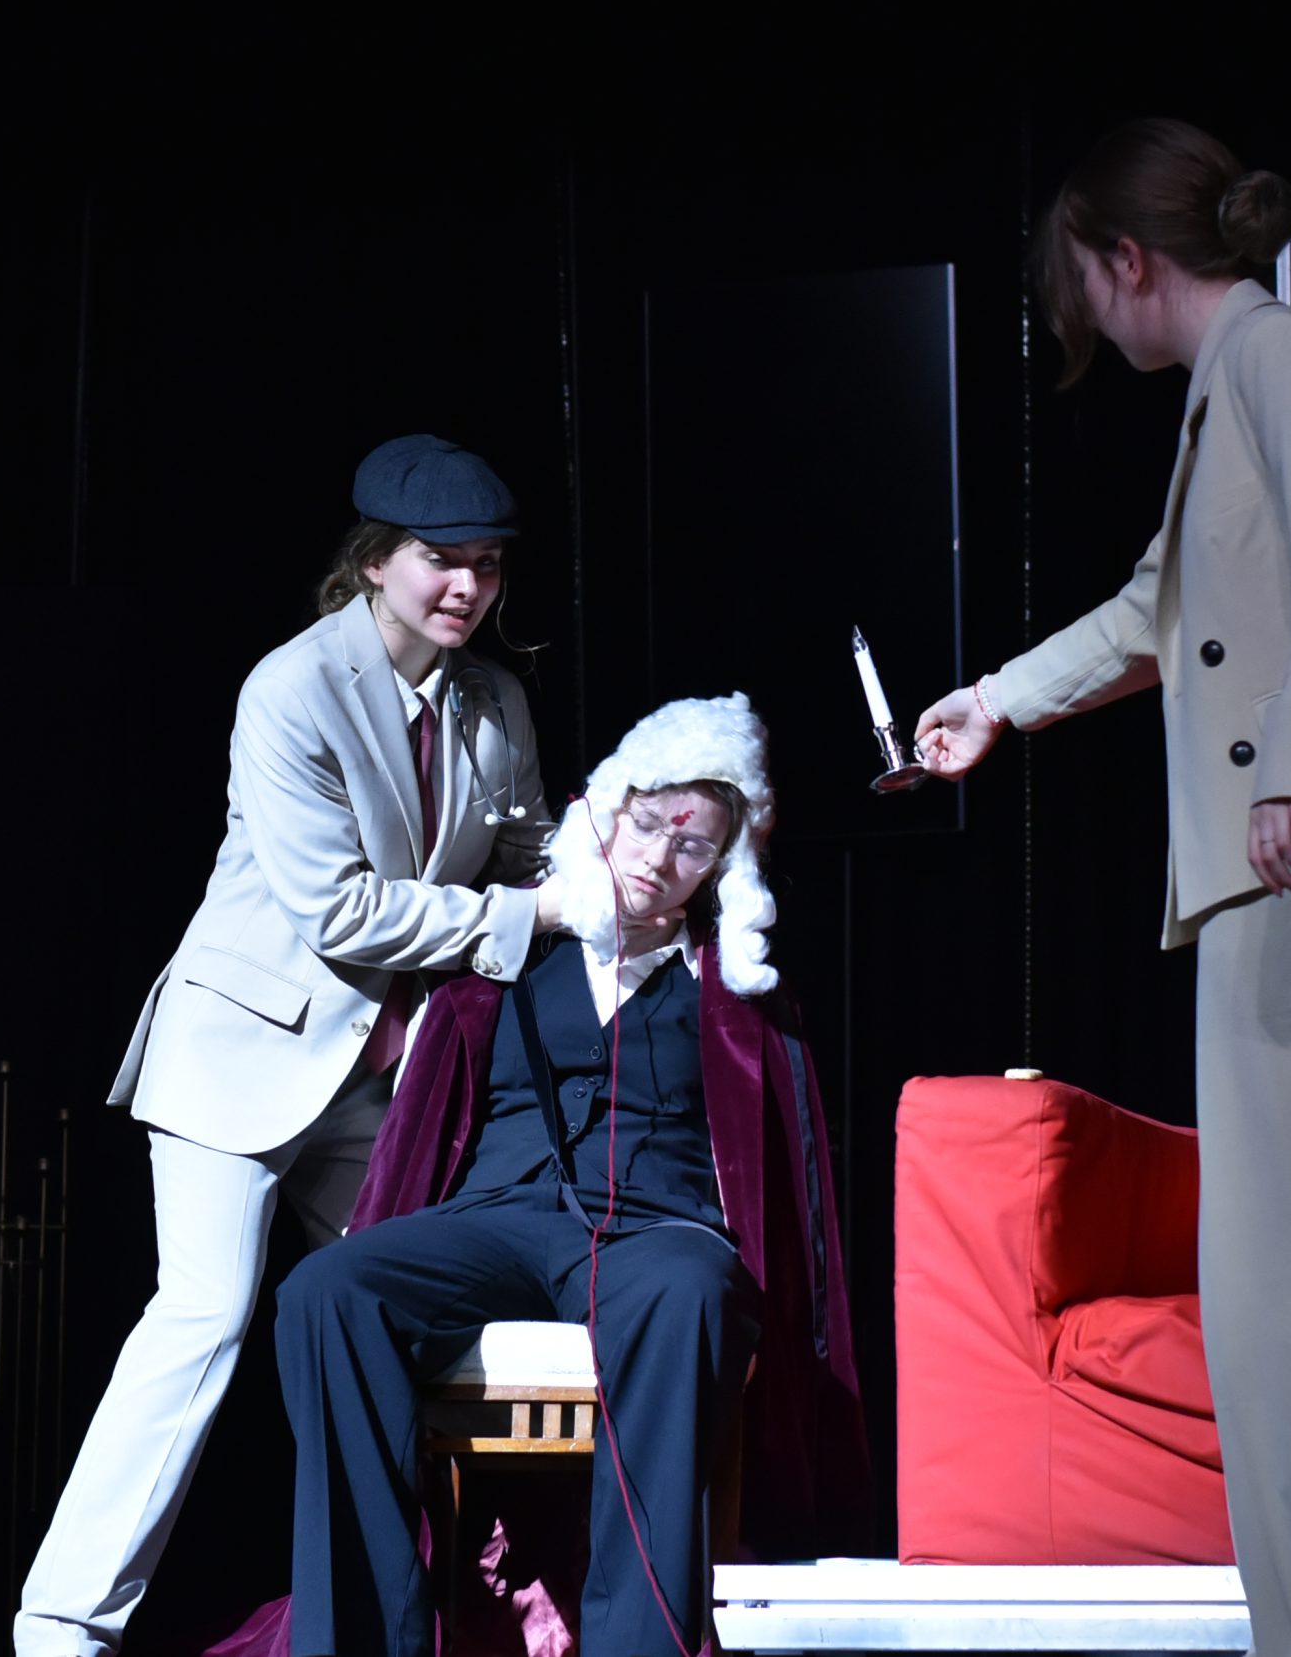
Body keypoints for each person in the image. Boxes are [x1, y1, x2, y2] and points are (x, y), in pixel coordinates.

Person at [914, 119, 1291, 1657]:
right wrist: (998, 698)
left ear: (1127, 259)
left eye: (1080, 283)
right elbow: (1153, 612)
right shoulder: (1232, 385)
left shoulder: (1278, 353)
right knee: (1271, 1292)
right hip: (1281, 859)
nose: (1084, 319)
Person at [16, 433, 564, 1657]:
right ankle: (59, 1628)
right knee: (203, 1318)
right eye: (439, 560)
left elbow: (535, 858)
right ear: (374, 562)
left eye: (486, 564)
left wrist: (637, 851)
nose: (466, 587)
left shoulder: (496, 702)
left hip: (376, 1079)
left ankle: (453, 1604)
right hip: (240, 1054)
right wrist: (532, 917)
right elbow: (341, 909)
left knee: (412, 1322)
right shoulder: (292, 689)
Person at [275, 694, 865, 1657]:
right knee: (326, 1291)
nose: (658, 857)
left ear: (720, 868)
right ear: (607, 812)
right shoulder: (509, 961)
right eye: (648, 823)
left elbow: (777, 1175)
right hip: (500, 1217)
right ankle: (367, 1638)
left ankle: (637, 1641)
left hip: (655, 1230)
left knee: (690, 1290)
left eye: (692, 845)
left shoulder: (735, 996)